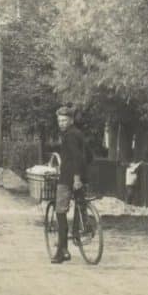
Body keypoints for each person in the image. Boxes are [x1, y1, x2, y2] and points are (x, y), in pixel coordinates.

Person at [52, 106, 88, 264]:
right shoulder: (78, 134)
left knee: (60, 211)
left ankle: (62, 250)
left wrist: (76, 177)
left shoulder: (70, 136)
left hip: (69, 178)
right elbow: (89, 155)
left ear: (71, 120)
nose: (61, 123)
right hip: (80, 176)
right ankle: (80, 231)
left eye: (64, 120)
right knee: (80, 205)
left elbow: (76, 157)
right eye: (59, 120)